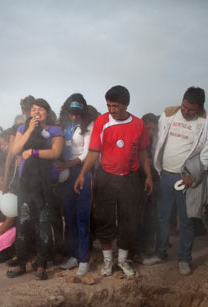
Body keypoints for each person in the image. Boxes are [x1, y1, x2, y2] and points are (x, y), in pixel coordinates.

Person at [74, 85, 153, 277]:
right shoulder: (102, 121)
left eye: (116, 106)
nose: (112, 110)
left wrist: (149, 175)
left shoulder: (138, 125)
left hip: (130, 178)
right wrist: (82, 174)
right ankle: (108, 261)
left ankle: (123, 260)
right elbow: (93, 152)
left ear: (126, 104)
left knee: (129, 220)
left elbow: (142, 152)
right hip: (106, 177)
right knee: (104, 219)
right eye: (109, 105)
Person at [143, 86, 208, 276]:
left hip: (187, 178)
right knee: (162, 217)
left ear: (200, 108)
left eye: (191, 109)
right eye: (184, 106)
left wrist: (191, 177)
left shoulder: (207, 123)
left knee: (186, 220)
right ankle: (161, 253)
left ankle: (185, 259)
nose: (186, 111)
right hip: (165, 175)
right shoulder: (168, 114)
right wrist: (157, 168)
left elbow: (207, 156)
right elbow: (157, 143)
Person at [6, 98, 64, 280]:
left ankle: (41, 265)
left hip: (45, 185)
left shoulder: (54, 130)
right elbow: (15, 150)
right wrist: (30, 129)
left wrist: (33, 152)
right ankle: (21, 263)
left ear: (47, 112)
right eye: (33, 109)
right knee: (23, 224)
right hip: (26, 184)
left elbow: (55, 153)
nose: (37, 112)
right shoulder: (23, 129)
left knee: (43, 224)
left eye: (40, 109)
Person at [55, 93, 94, 276]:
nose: (74, 116)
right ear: (66, 111)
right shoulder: (62, 126)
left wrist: (68, 165)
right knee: (69, 218)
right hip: (65, 175)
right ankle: (73, 255)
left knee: (82, 218)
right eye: (71, 113)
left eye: (78, 113)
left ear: (83, 112)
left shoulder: (89, 126)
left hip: (82, 172)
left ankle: (84, 259)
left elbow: (87, 153)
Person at [136, 113, 160, 257]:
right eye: (148, 128)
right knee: (139, 215)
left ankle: (149, 245)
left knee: (151, 215)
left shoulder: (156, 141)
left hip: (153, 181)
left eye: (153, 129)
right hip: (138, 181)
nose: (151, 132)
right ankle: (138, 248)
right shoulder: (136, 139)